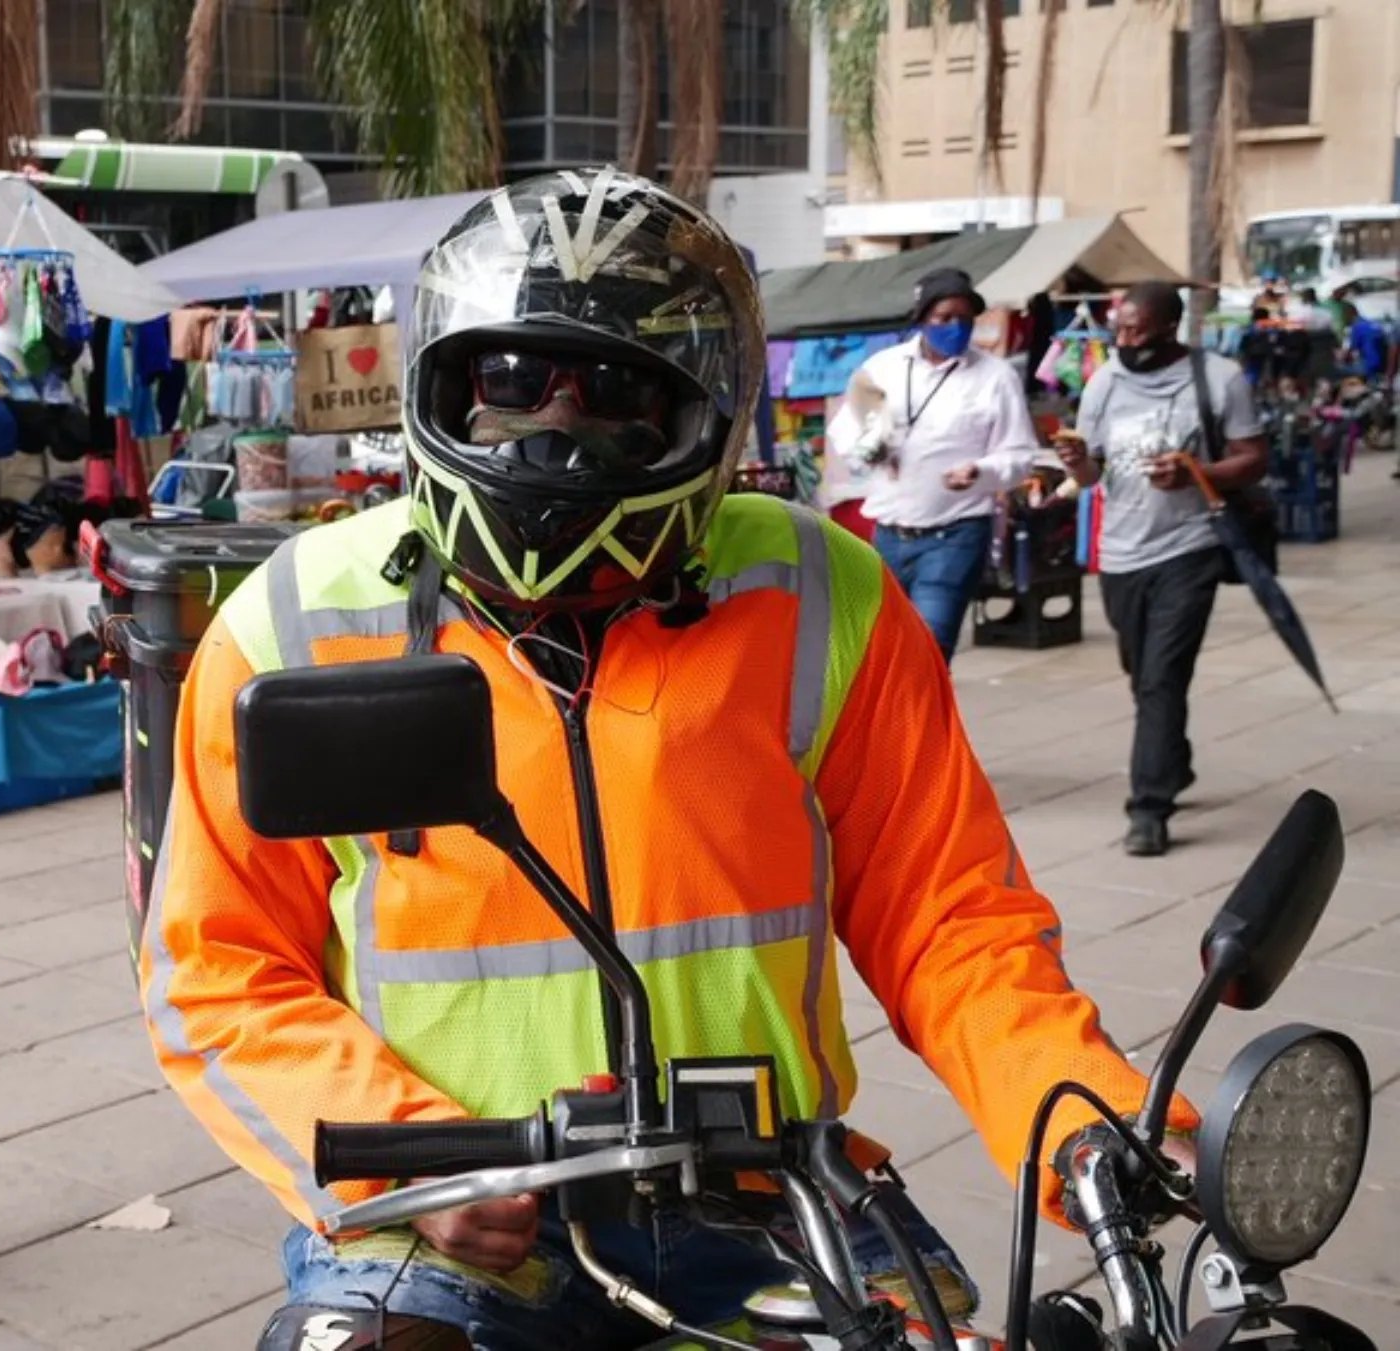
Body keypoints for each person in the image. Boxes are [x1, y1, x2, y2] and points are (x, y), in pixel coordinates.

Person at [144, 173, 1194, 1349]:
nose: (555, 424)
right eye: (509, 383)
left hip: (761, 1188)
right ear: (441, 382)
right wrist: (401, 1149)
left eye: (619, 391)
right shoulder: (291, 620)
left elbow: (951, 919)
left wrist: (1084, 1118)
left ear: (705, 411)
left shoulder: (819, 591)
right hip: (451, 1201)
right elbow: (215, 970)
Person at [1055, 282, 1267, 858]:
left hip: (1189, 549)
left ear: (1170, 328)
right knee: (1142, 674)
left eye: (1136, 333)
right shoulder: (1104, 381)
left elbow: (1254, 457)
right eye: (1119, 330)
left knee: (1161, 678)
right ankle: (1173, 760)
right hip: (1121, 553)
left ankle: (1148, 808)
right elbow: (1094, 472)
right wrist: (1078, 462)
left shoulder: (1218, 377)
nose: (1124, 342)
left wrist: (1198, 473)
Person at [826, 267, 1042, 661]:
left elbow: (1020, 455)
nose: (956, 327)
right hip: (890, 532)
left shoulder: (996, 377)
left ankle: (917, 720)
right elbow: (844, 430)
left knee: (929, 646)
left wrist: (982, 472)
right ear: (923, 319)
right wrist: (868, 449)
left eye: (965, 319)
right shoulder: (883, 368)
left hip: (955, 534)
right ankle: (898, 723)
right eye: (945, 318)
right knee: (882, 650)